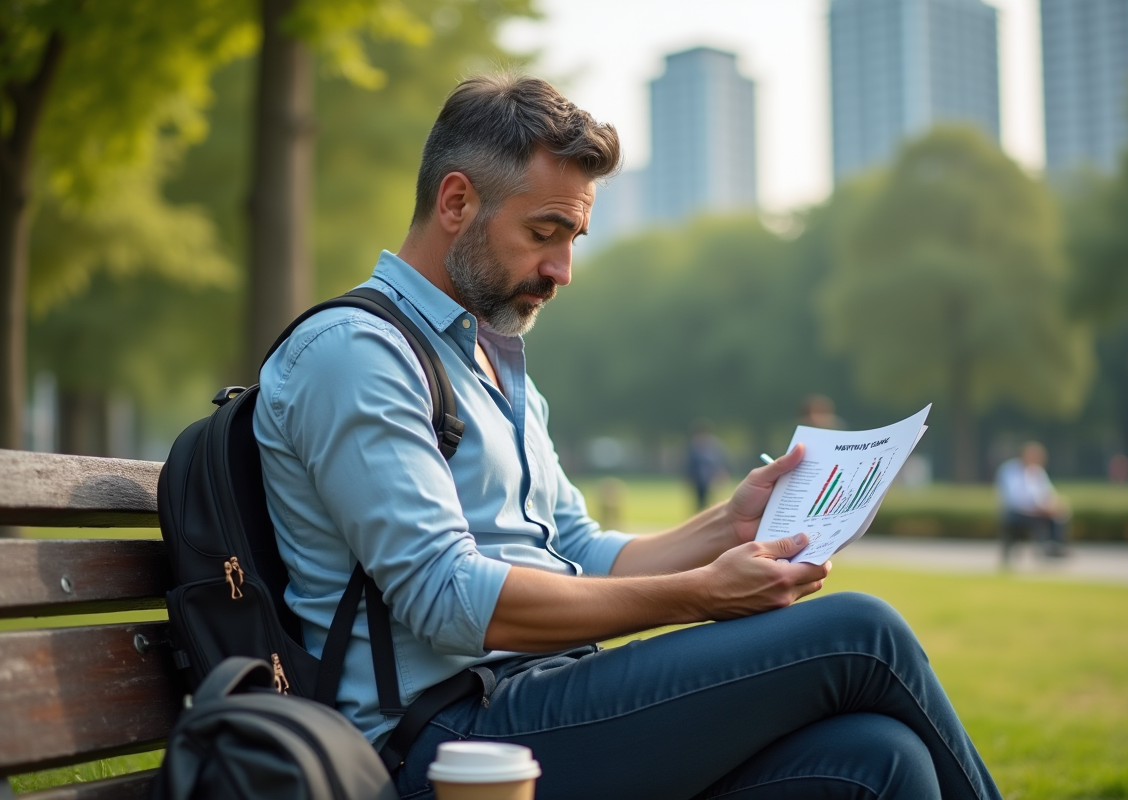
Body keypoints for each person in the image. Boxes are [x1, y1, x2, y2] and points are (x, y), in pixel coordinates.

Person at [255, 74, 1003, 800]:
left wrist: (726, 526)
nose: (563, 270)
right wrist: (701, 595)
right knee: (862, 633)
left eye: (574, 236)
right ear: (456, 201)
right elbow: (447, 598)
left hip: (532, 701)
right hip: (438, 745)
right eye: (544, 233)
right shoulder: (356, 354)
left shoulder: (486, 357)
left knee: (879, 758)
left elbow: (574, 550)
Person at [996, 441, 1071, 562]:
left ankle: (1054, 547)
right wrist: (1037, 509)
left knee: (1059, 515)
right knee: (1041, 518)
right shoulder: (1010, 470)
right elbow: (1014, 499)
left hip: (1037, 511)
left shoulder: (1037, 471)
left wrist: (1054, 504)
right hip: (1016, 512)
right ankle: (1047, 546)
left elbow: (1047, 492)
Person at [685, 419, 728, 510]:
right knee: (699, 502)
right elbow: (690, 464)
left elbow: (720, 461)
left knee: (711, 503)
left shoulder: (713, 446)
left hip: (710, 478)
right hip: (698, 480)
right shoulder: (694, 446)